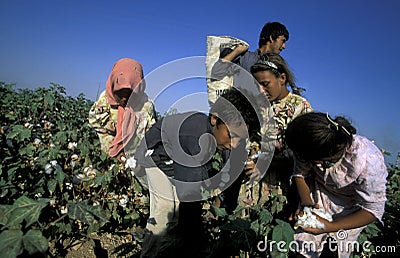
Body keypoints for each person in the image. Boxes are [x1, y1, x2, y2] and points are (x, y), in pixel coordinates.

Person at [135, 88, 260, 257]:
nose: (235, 143)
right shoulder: (195, 139)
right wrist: (197, 243)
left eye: (241, 138)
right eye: (232, 135)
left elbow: (230, 174)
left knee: (178, 221)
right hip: (156, 158)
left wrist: (225, 209)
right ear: (215, 119)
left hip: (178, 162)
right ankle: (148, 255)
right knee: (166, 210)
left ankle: (170, 249)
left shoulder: (224, 139)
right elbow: (189, 195)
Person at [285, 112, 387, 258]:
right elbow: (300, 174)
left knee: (333, 251)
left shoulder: (369, 162)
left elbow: (373, 210)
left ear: (322, 158)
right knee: (302, 249)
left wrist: (330, 227)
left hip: (352, 211)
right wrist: (306, 203)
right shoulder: (307, 145)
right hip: (319, 196)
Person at [236, 52, 312, 220]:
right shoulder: (257, 105)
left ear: (282, 78)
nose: (261, 91)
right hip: (251, 188)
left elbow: (305, 159)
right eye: (257, 86)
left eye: (265, 84)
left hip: (280, 191)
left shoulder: (301, 108)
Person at [88, 58, 156, 160]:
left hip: (135, 161)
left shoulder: (146, 105)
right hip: (108, 157)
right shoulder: (104, 101)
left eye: (129, 94)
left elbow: (148, 137)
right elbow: (99, 128)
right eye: (120, 93)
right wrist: (114, 153)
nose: (124, 99)